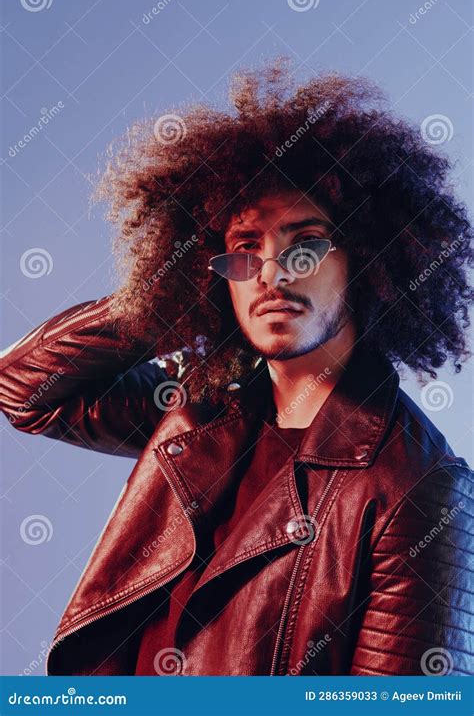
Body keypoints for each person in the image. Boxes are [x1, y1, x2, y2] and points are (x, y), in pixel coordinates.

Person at [1, 59, 473, 676]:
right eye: (245, 251)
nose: (274, 275)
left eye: (305, 244)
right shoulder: (200, 409)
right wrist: (164, 299)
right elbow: (26, 388)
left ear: (366, 256)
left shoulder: (417, 485)